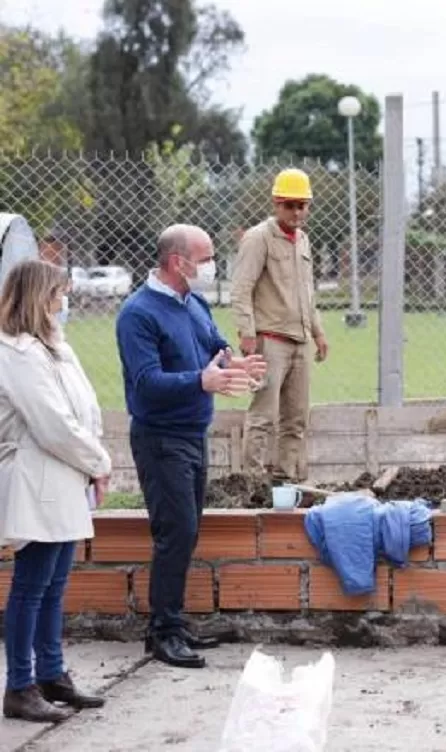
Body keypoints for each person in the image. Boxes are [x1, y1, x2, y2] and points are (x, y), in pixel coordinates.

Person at [116, 225, 265, 669]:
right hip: (161, 437)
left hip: (193, 433)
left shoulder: (194, 302)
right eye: (205, 258)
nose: (210, 265)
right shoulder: (138, 314)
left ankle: (174, 623)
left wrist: (231, 363)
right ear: (177, 262)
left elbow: (213, 346)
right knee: (175, 532)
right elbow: (146, 383)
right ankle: (163, 632)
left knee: (187, 530)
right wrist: (201, 380)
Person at [0, 260, 111, 722]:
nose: (63, 302)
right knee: (31, 585)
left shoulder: (55, 348)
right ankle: (19, 686)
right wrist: (99, 463)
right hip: (37, 477)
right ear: (38, 299)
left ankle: (51, 674)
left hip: (65, 475)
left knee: (55, 584)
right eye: (58, 294)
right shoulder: (16, 353)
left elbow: (84, 408)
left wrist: (92, 463)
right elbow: (52, 425)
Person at [231, 168, 328, 483]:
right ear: (276, 203)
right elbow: (241, 288)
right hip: (269, 340)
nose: (297, 211)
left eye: (303, 205)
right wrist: (247, 333)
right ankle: (254, 483)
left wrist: (318, 332)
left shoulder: (303, 240)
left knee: (296, 419)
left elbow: (307, 292)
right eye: (290, 204)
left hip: (299, 341)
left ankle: (287, 482)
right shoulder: (258, 238)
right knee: (263, 416)